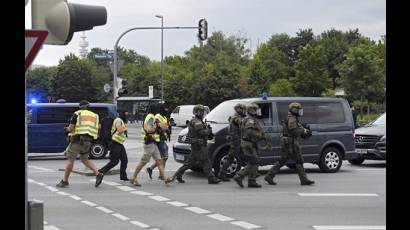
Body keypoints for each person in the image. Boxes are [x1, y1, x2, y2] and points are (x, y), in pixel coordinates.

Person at [165, 104, 221, 184]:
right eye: (201, 111)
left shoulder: (198, 121)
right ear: (197, 112)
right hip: (199, 145)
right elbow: (201, 132)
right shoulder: (196, 121)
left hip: (197, 145)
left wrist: (208, 132)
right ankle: (211, 178)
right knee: (206, 161)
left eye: (202, 111)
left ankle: (178, 175)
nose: (202, 113)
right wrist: (208, 131)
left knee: (189, 163)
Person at [264, 102, 315, 186]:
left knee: (285, 160)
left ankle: (269, 176)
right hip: (290, 143)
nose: (300, 111)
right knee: (297, 160)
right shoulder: (292, 119)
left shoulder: (292, 117)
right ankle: (304, 180)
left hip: (289, 142)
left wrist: (302, 129)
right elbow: (293, 131)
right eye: (299, 109)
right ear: (294, 110)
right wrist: (303, 130)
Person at [56, 100, 104, 188]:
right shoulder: (95, 116)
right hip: (88, 141)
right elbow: (99, 129)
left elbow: (71, 128)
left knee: (70, 160)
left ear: (80, 107)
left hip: (77, 140)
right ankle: (98, 174)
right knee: (84, 159)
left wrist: (66, 129)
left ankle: (65, 181)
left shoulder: (77, 114)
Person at [130, 104, 167, 186]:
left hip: (153, 142)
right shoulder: (150, 117)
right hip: (149, 143)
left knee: (159, 160)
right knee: (143, 162)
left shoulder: (150, 116)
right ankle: (133, 177)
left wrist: (157, 127)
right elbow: (148, 129)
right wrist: (157, 128)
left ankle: (165, 178)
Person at [233, 103, 264, 188]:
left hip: (250, 143)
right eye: (256, 110)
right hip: (248, 144)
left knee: (255, 162)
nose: (258, 111)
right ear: (252, 111)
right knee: (253, 161)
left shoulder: (252, 119)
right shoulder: (250, 120)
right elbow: (249, 131)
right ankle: (239, 176)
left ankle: (252, 181)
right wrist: (259, 135)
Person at [218, 103, 246, 181]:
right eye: (243, 109)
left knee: (245, 156)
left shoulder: (234, 117)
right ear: (239, 109)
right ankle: (222, 174)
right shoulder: (236, 118)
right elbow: (242, 124)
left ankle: (251, 172)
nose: (244, 111)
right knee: (231, 158)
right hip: (236, 141)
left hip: (237, 140)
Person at [98, 110, 129, 181]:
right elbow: (119, 130)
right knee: (114, 161)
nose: (126, 116)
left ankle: (123, 176)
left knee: (124, 160)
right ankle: (100, 171)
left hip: (119, 143)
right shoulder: (118, 120)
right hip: (115, 143)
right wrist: (124, 129)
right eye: (125, 114)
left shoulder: (120, 120)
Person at [146, 105, 171, 180]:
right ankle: (161, 175)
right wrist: (163, 128)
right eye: (165, 109)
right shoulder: (157, 116)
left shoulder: (164, 116)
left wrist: (167, 129)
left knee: (163, 157)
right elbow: (156, 126)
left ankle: (151, 169)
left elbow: (166, 127)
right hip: (158, 139)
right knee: (164, 157)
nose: (166, 110)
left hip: (162, 138)